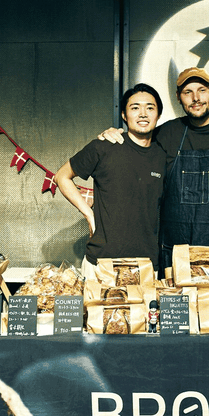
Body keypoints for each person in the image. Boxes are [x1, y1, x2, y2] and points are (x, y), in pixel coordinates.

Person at [100, 67, 209, 284]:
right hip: (174, 255)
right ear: (178, 97)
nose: (196, 98)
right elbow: (135, 146)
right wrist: (113, 135)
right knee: (178, 316)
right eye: (187, 92)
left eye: (202, 90)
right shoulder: (165, 133)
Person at [54, 83, 166, 276]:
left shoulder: (163, 154)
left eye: (150, 108)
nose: (143, 114)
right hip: (102, 263)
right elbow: (62, 176)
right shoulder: (105, 146)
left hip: (146, 264)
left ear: (158, 114)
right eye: (135, 108)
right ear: (124, 115)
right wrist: (89, 214)